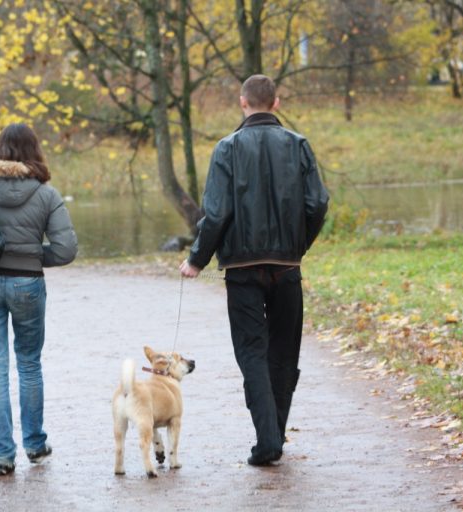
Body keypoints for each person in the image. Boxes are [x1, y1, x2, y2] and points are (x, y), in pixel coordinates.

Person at [180, 75, 329, 466]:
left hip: (243, 269)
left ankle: (268, 440)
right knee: (283, 352)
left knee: (252, 353)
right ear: (275, 103)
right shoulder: (298, 146)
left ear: (243, 102)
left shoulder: (226, 149)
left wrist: (197, 259)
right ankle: (274, 435)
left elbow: (216, 213)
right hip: (287, 266)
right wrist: (297, 245)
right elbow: (317, 204)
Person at [0, 123, 78, 475]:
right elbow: (67, 250)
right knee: (29, 364)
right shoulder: (46, 194)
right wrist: (35, 257)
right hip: (27, 284)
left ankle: (3, 455)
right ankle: (35, 445)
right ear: (34, 150)